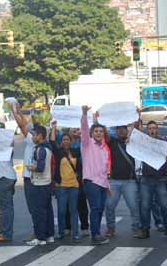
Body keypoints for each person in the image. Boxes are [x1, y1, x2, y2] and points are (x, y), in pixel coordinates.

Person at [137, 121, 167, 239]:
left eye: (154, 128)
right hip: (146, 178)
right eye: (150, 128)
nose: (152, 130)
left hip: (160, 178)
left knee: (164, 205)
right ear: (147, 130)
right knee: (145, 206)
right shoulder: (143, 143)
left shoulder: (164, 142)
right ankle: (145, 230)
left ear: (157, 129)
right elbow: (133, 145)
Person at [104, 125, 141, 239]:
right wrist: (100, 121)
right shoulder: (112, 142)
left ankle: (136, 228)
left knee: (134, 206)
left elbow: (138, 131)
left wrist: (137, 117)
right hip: (113, 180)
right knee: (109, 206)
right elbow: (104, 134)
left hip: (129, 181)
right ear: (115, 130)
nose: (121, 130)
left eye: (123, 128)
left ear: (127, 130)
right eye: (118, 128)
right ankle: (111, 228)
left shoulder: (133, 141)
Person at [80, 105, 110, 245]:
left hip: (102, 183)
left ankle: (96, 232)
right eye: (96, 131)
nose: (98, 133)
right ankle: (95, 234)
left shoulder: (104, 148)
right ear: (92, 133)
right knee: (95, 208)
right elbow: (84, 129)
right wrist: (85, 114)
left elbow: (103, 170)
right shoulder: (87, 144)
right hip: (91, 182)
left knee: (100, 209)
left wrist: (107, 185)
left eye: (101, 131)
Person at [9, 102, 36, 241]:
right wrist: (17, 112)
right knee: (34, 206)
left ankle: (37, 231)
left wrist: (15, 111)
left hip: (31, 178)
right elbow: (24, 125)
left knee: (34, 206)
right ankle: (38, 230)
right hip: (28, 177)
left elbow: (22, 125)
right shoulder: (33, 139)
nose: (29, 132)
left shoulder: (32, 140)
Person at [50, 122, 81, 242]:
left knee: (73, 211)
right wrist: (53, 127)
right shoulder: (58, 153)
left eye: (68, 139)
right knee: (62, 211)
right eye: (64, 139)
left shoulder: (76, 152)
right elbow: (52, 141)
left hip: (74, 186)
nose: (66, 141)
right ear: (61, 142)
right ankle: (61, 233)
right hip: (61, 186)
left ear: (70, 141)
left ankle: (75, 234)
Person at [26, 125, 55, 246]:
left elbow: (40, 167)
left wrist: (32, 167)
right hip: (47, 183)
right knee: (47, 211)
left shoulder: (40, 149)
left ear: (40, 136)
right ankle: (49, 235)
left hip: (40, 184)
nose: (32, 137)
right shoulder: (47, 148)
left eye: (34, 135)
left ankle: (40, 237)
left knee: (39, 212)